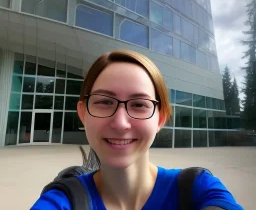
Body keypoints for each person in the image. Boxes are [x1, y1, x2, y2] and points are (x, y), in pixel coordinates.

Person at [31, 50, 243, 210]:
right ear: (83, 113)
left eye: (139, 104)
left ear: (160, 118)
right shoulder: (62, 199)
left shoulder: (200, 188)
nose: (121, 123)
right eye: (104, 102)